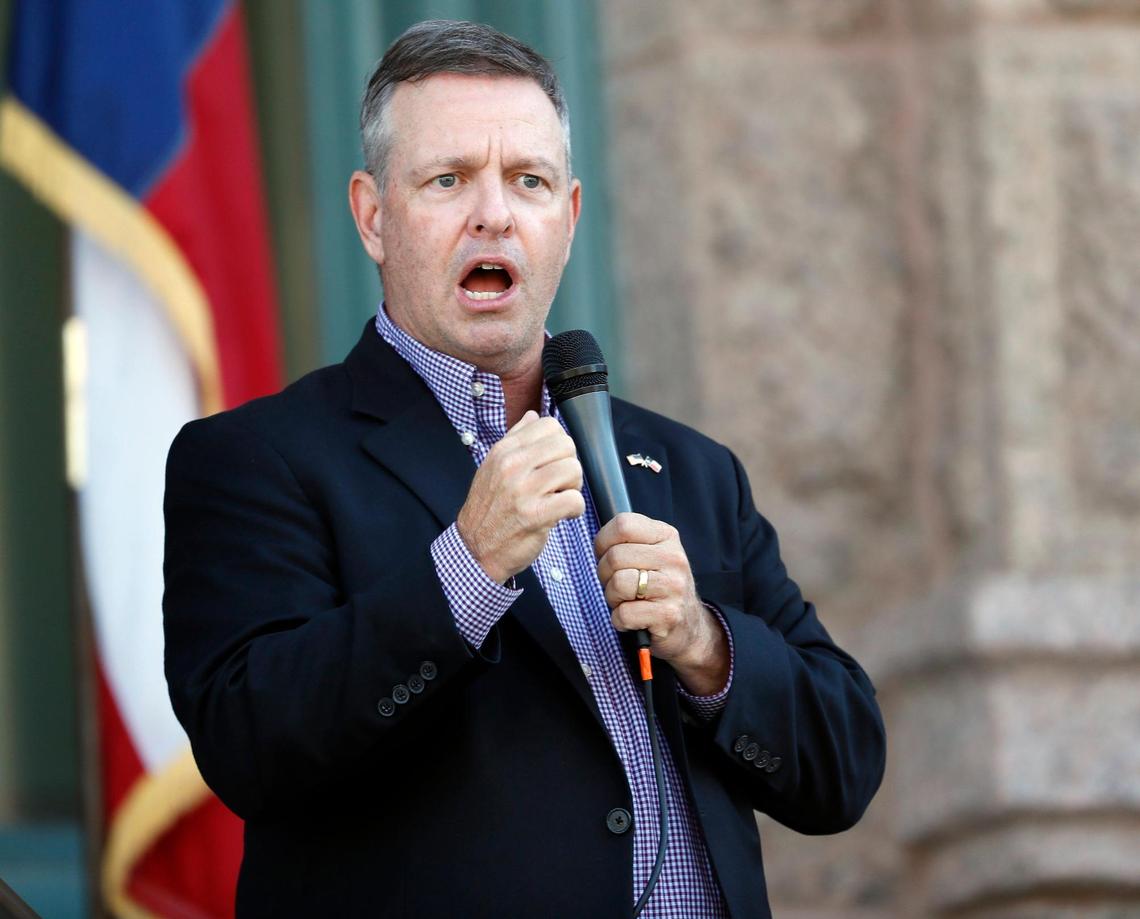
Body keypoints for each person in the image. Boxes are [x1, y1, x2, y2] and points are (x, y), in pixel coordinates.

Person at [163, 19, 885, 919]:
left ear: (569, 218)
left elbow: (845, 762)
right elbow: (248, 744)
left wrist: (704, 643)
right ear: (373, 216)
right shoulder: (256, 461)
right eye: (449, 179)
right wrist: (466, 568)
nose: (494, 213)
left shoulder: (690, 469)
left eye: (528, 181)